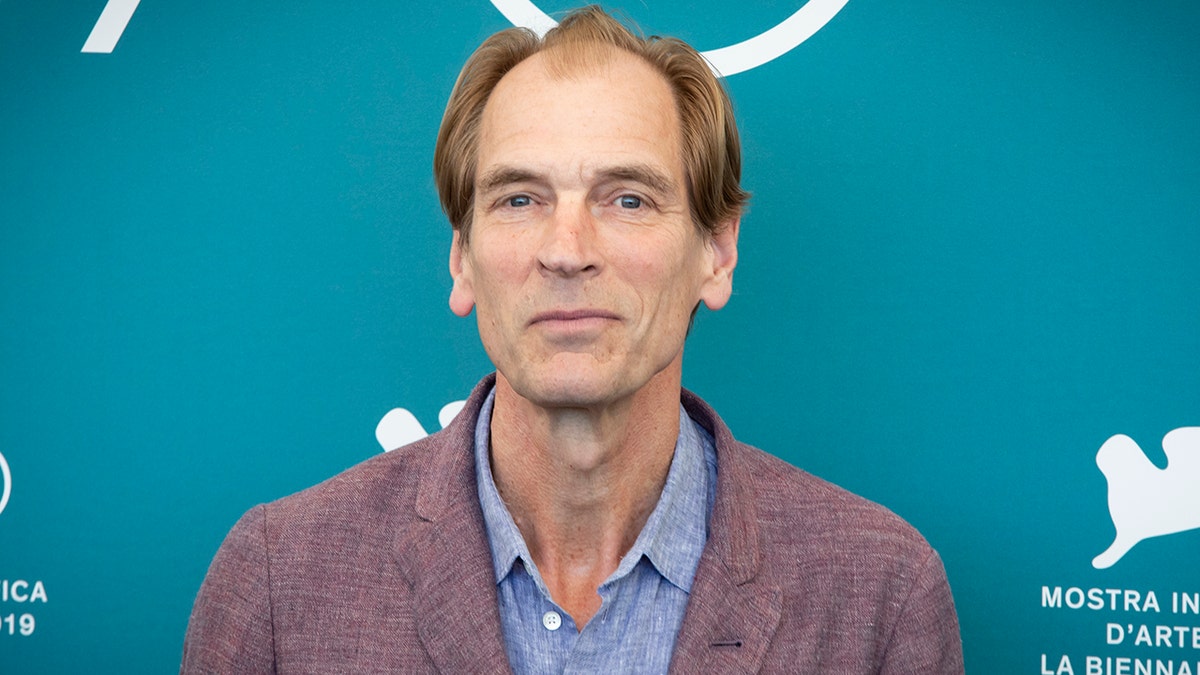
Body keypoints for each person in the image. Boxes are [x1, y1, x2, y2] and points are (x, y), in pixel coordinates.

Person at [182, 6, 964, 673]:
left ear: (716, 253)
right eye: (520, 198)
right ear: (462, 258)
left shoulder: (881, 594)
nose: (566, 248)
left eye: (627, 198)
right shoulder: (282, 581)